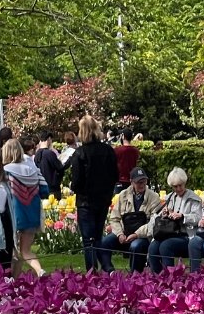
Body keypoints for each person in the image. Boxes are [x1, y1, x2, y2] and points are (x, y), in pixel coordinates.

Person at [64, 115, 118, 272]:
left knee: (89, 240)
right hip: (103, 199)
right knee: (98, 236)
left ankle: (92, 271)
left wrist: (73, 187)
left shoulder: (80, 153)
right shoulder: (108, 150)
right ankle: (107, 266)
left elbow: (77, 180)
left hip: (86, 201)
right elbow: (114, 175)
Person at [2, 139, 49, 277]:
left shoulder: (5, 171)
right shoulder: (34, 169)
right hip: (32, 214)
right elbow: (45, 190)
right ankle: (39, 270)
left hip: (14, 214)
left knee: (13, 252)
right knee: (26, 250)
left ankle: (12, 279)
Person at [99, 167, 160, 272]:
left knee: (136, 246)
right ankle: (109, 271)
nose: (141, 184)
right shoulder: (123, 195)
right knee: (104, 242)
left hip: (143, 236)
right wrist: (119, 234)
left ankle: (135, 275)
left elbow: (153, 223)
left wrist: (136, 234)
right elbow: (114, 218)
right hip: (124, 233)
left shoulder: (154, 197)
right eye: (138, 182)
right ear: (131, 182)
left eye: (144, 181)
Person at [148, 167, 204, 273]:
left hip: (186, 235)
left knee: (166, 246)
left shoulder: (194, 198)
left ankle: (171, 278)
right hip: (169, 233)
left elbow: (198, 218)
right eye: (175, 186)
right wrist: (165, 214)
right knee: (153, 247)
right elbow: (159, 216)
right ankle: (157, 277)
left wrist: (183, 216)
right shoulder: (169, 197)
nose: (178, 189)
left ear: (184, 183)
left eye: (180, 185)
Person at [34, 131, 65, 198]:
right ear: (48, 140)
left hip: (41, 187)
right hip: (53, 188)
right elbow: (60, 168)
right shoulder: (50, 154)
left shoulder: (36, 155)